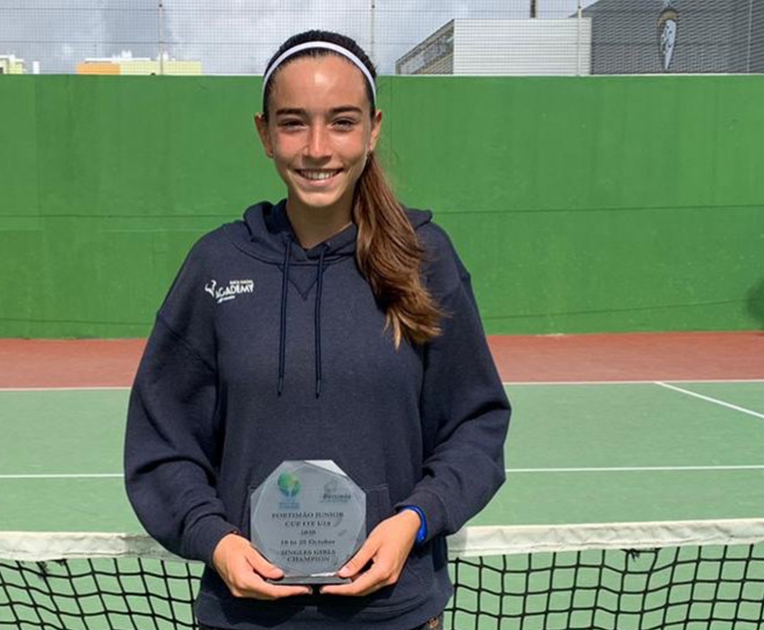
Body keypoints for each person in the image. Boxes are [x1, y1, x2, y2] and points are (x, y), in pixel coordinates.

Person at [125, 29, 511, 630]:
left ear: (373, 129)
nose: (316, 147)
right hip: (245, 617)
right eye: (293, 123)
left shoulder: (423, 258)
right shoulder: (216, 266)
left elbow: (476, 427)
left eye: (341, 122)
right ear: (263, 133)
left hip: (395, 614)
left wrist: (416, 518)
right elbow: (161, 443)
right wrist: (216, 541)